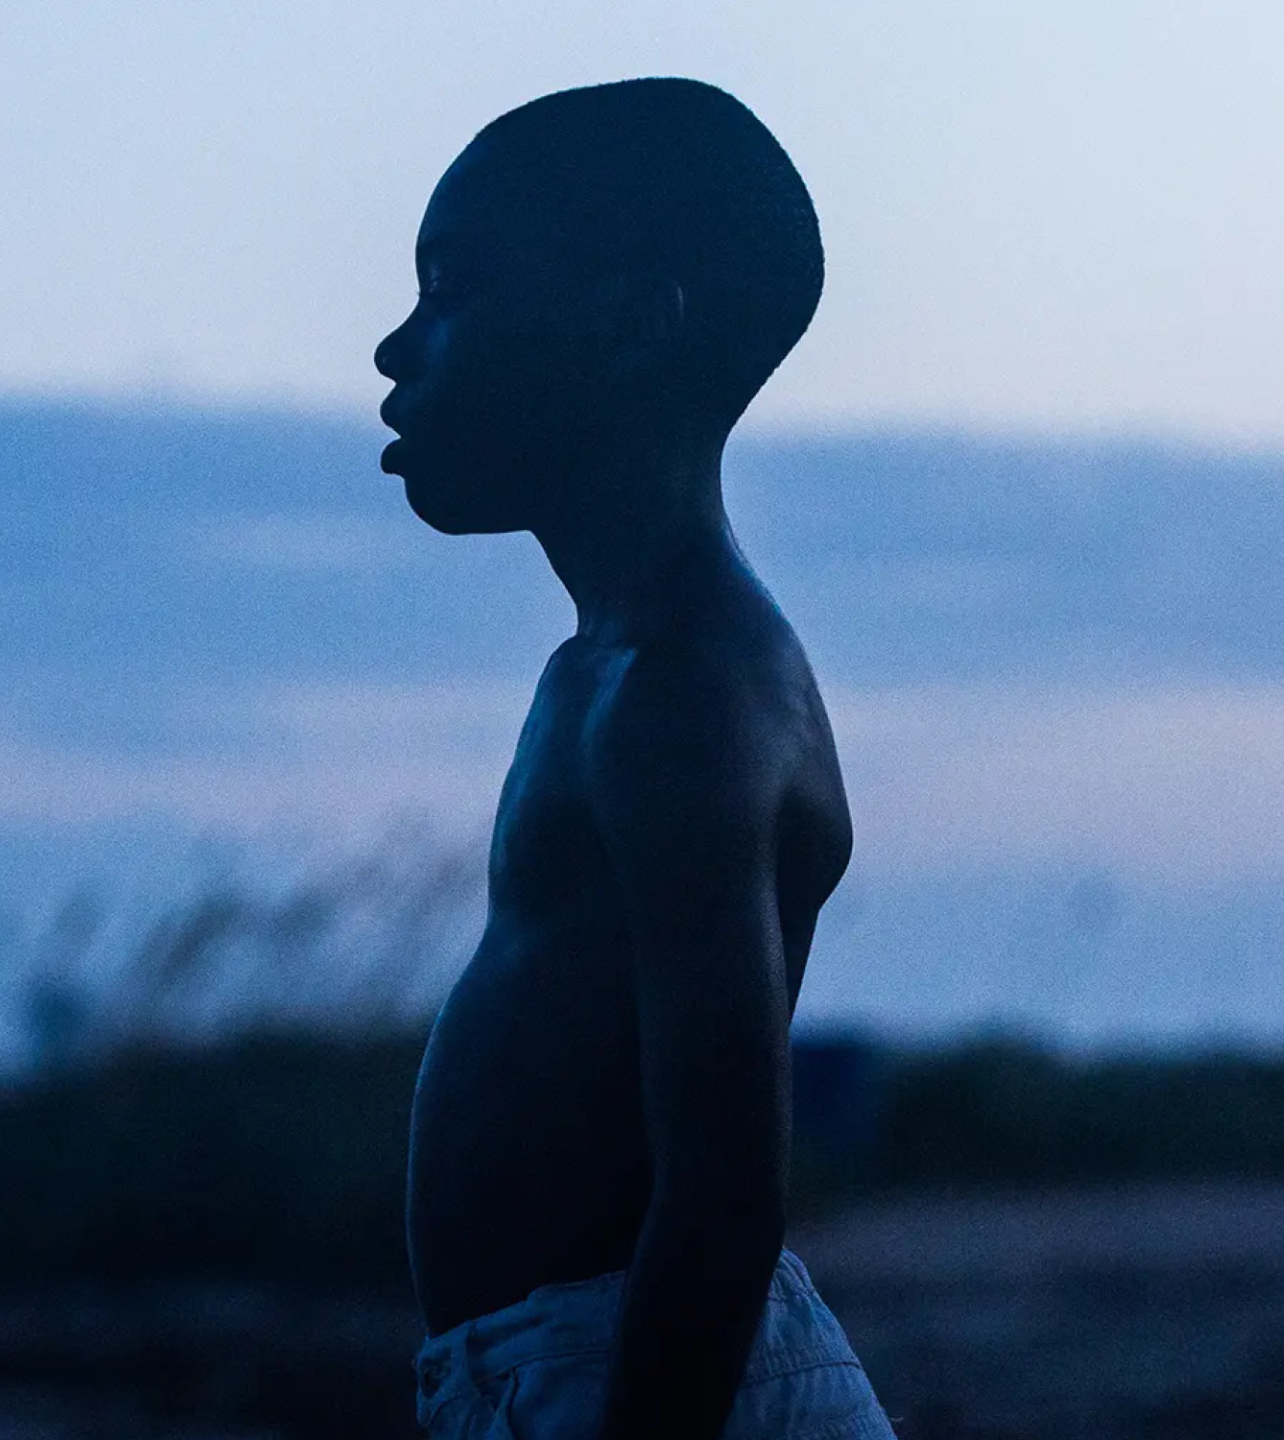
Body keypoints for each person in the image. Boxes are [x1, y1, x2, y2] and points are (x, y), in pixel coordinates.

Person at [376, 79, 896, 1440]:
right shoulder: (607, 674)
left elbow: (723, 1195)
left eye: (450, 292)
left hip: (659, 1381)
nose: (395, 347)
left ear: (628, 327)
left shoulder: (687, 696)